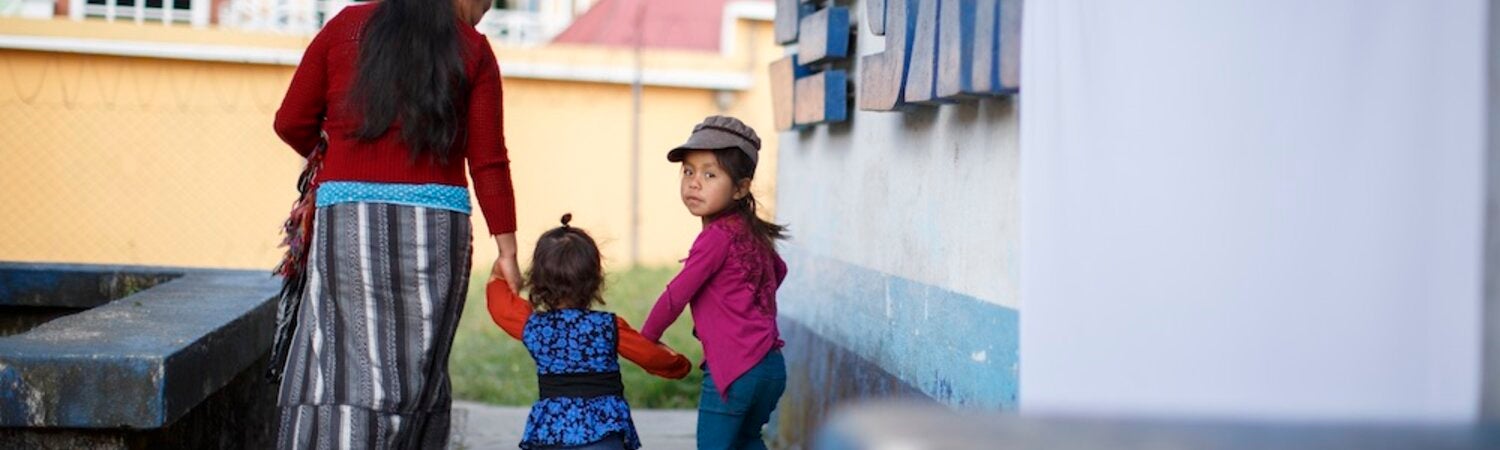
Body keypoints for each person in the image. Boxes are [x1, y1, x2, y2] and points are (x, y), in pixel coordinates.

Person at [270, 0, 519, 447]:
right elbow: (488, 160)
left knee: (342, 363)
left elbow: (291, 121)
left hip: (347, 215)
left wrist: (341, 160)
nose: (487, 10)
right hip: (438, 225)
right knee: (415, 365)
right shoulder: (473, 50)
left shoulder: (346, 27)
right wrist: (508, 251)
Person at [639, 116, 789, 450]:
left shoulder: (716, 237)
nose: (694, 183)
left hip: (735, 370)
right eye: (688, 171)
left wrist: (645, 340)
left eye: (710, 174)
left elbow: (676, 295)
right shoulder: (752, 232)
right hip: (769, 368)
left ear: (741, 187)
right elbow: (778, 271)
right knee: (748, 440)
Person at [487, 214, 692, 450]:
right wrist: (680, 365)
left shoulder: (533, 327)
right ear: (595, 280)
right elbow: (651, 357)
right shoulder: (608, 327)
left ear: (538, 280)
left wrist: (500, 271)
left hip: (552, 432)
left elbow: (500, 307)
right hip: (603, 432)